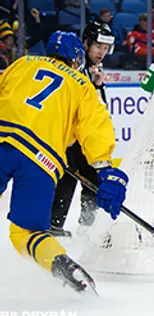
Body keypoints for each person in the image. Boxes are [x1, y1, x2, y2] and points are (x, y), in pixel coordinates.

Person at [0, 31, 128, 293]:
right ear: (76, 59)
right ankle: (65, 267)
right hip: (42, 160)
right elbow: (95, 128)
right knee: (26, 234)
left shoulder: (22, 63)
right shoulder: (81, 84)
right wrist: (106, 172)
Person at [50, 20, 116, 238]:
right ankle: (55, 224)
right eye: (98, 46)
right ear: (86, 43)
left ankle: (86, 224)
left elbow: (96, 106)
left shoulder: (92, 68)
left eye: (105, 48)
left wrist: (98, 86)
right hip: (68, 136)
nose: (101, 52)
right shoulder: (72, 65)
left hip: (82, 137)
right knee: (67, 176)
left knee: (91, 178)